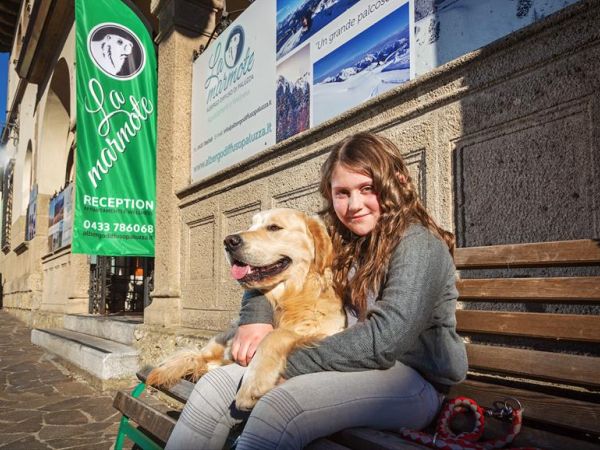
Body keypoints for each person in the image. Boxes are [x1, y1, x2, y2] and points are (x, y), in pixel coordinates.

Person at [165, 132, 468, 450]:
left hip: (411, 381)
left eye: (367, 189)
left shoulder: (418, 245)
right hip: (343, 364)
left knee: (281, 408)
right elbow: (269, 266)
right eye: (342, 193)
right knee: (214, 386)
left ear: (399, 183)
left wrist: (282, 363)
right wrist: (255, 315)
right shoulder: (340, 237)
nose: (354, 205)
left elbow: (384, 341)